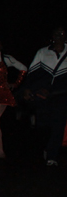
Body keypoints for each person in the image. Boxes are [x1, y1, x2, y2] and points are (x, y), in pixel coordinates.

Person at [23, 27, 67, 166]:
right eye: (56, 33)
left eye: (62, 34)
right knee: (43, 124)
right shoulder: (42, 52)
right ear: (52, 36)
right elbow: (32, 73)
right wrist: (27, 89)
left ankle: (52, 156)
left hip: (61, 95)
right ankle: (46, 147)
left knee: (59, 124)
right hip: (42, 95)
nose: (59, 36)